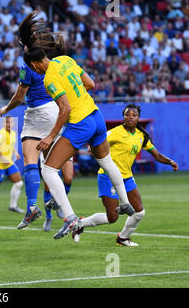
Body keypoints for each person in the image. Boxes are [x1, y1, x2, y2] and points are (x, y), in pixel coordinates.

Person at [11, 12, 135, 239]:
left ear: (35, 63)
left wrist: (50, 136)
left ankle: (70, 219)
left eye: (34, 67)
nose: (36, 71)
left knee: (48, 170)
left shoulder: (48, 78)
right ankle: (125, 203)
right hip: (97, 116)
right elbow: (90, 83)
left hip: (80, 123)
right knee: (106, 162)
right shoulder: (65, 60)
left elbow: (65, 109)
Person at [0, 14, 74, 231]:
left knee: (31, 160)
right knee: (63, 173)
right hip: (60, 112)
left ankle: (32, 206)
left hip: (39, 113)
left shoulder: (28, 64)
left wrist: (6, 108)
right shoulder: (56, 60)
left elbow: (20, 97)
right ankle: (59, 203)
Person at [72, 104, 179, 245]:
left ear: (138, 118)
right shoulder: (115, 132)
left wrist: (170, 161)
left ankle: (123, 238)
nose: (130, 117)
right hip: (108, 177)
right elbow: (98, 140)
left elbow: (156, 155)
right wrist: (91, 148)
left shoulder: (142, 136)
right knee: (112, 218)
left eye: (134, 115)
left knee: (139, 212)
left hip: (127, 178)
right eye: (127, 115)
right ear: (123, 117)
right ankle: (80, 223)